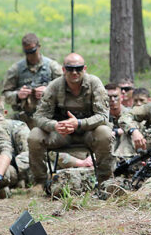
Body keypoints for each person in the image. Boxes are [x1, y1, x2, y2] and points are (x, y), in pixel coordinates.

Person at [27, 53, 114, 185]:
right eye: (70, 69)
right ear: (63, 70)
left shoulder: (94, 83)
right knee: (34, 135)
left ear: (84, 69)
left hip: (88, 132)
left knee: (105, 132)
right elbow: (39, 116)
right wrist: (54, 126)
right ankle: (40, 182)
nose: (74, 72)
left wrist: (78, 123)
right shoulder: (54, 86)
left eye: (78, 68)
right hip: (61, 134)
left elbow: (103, 116)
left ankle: (105, 180)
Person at [1, 33, 62, 128]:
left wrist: (48, 90)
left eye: (33, 51)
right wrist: (18, 95)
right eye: (27, 52)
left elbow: (66, 88)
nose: (30, 55)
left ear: (39, 47)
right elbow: (5, 95)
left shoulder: (52, 66)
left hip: (50, 116)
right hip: (24, 118)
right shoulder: (15, 70)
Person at [105, 83, 133, 157]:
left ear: (122, 97)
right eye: (109, 97)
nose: (112, 100)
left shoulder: (130, 113)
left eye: (115, 96)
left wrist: (116, 132)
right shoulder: (101, 116)